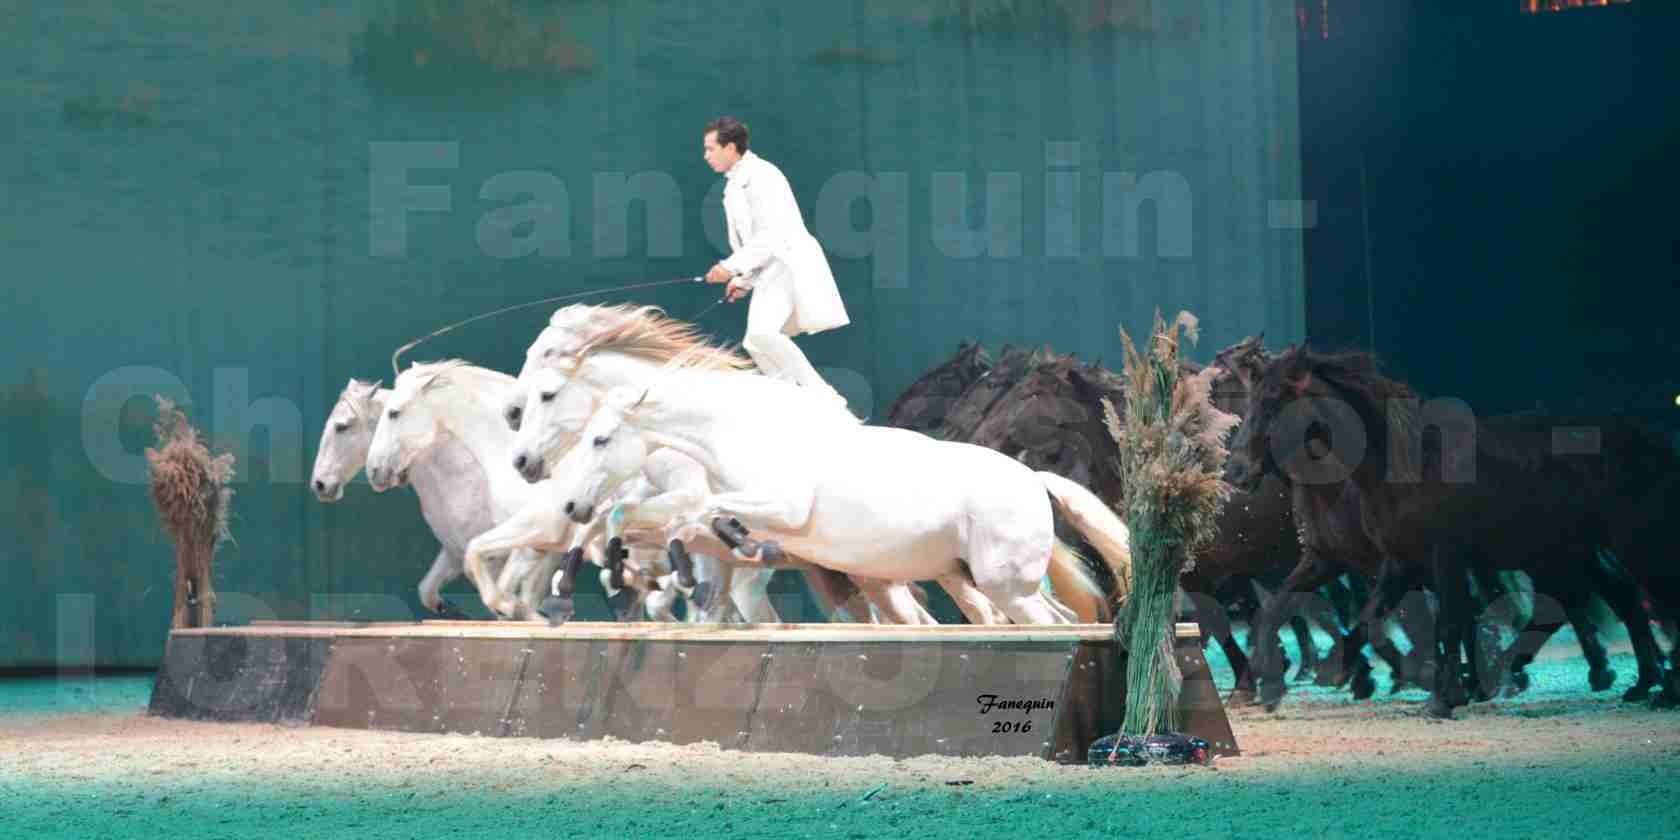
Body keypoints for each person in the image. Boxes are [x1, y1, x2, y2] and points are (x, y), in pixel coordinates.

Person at [701, 116, 850, 408]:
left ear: (730, 147)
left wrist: (729, 268)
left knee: (761, 334)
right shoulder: (733, 185)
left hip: (787, 260)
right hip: (771, 265)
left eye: (710, 149)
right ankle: (791, 401)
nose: (706, 156)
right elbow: (752, 242)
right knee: (755, 341)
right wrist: (741, 281)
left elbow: (772, 233)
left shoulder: (762, 176)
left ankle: (823, 397)